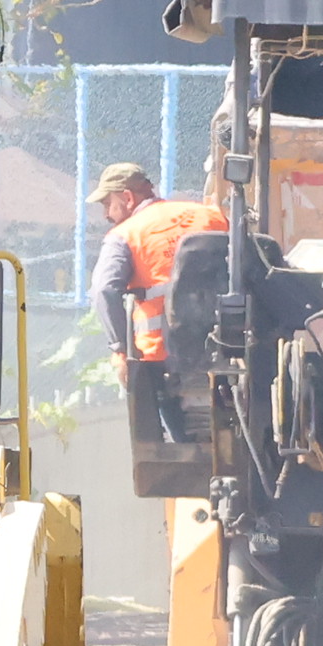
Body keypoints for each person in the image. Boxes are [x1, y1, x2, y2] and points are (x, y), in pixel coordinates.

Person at [94, 159, 223, 441]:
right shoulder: (211, 216)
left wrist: (121, 351)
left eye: (107, 204)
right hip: (226, 350)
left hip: (163, 358)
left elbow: (104, 290)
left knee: (183, 446)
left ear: (127, 198)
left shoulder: (125, 235)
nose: (106, 214)